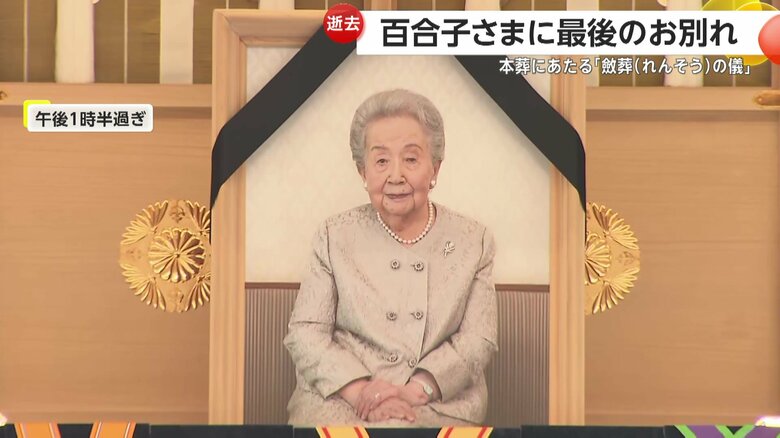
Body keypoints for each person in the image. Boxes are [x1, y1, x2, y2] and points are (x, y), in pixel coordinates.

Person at [283, 89, 498, 427]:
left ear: (435, 167)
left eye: (411, 159)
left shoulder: (473, 241)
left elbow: (477, 340)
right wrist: (361, 391)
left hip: (438, 404)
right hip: (343, 402)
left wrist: (417, 389)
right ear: (362, 171)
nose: (395, 176)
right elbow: (306, 334)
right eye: (381, 161)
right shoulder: (334, 236)